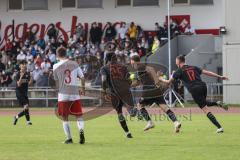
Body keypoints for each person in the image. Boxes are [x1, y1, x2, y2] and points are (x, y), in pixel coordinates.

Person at [159, 55, 229, 133]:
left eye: (176, 61)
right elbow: (207, 72)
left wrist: (161, 79)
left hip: (194, 89)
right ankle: (218, 103)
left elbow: (168, 82)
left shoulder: (178, 71)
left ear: (178, 61)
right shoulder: (193, 67)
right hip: (203, 85)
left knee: (204, 108)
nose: (175, 63)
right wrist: (220, 76)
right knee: (204, 103)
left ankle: (219, 127)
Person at [100, 53, 153, 138]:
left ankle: (127, 133)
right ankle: (136, 111)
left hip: (114, 93)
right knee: (131, 112)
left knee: (119, 113)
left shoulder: (104, 68)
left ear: (107, 59)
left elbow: (103, 80)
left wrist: (104, 90)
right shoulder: (123, 66)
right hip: (125, 91)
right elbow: (129, 78)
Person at [130, 55, 182, 133]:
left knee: (139, 105)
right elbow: (139, 82)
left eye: (132, 63)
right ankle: (176, 122)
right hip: (156, 91)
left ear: (135, 62)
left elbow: (138, 82)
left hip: (148, 91)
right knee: (165, 108)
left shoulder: (138, 70)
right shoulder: (148, 68)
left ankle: (150, 122)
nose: (131, 65)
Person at [51, 47, 86, 144]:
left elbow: (56, 81)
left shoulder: (55, 66)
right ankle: (81, 131)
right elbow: (82, 78)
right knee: (79, 116)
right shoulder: (74, 64)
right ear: (66, 53)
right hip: (74, 93)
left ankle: (69, 138)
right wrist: (83, 89)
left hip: (63, 94)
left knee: (65, 117)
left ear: (57, 55)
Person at [13, 60, 33, 125]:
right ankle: (27, 121)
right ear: (20, 68)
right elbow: (18, 84)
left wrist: (31, 77)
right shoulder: (17, 75)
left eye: (25, 68)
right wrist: (21, 76)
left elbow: (30, 83)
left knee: (26, 108)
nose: (24, 68)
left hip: (24, 93)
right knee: (26, 106)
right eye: (22, 67)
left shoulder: (27, 74)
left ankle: (17, 117)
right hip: (19, 93)